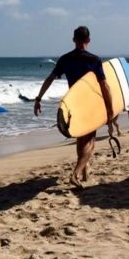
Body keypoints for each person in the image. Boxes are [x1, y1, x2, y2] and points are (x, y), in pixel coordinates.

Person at [34, 26, 113, 188]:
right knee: (90, 142)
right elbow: (104, 85)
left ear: (73, 40)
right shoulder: (94, 60)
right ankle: (76, 174)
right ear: (88, 40)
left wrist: (39, 98)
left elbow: (50, 78)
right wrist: (110, 108)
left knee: (80, 138)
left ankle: (84, 173)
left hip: (73, 103)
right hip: (89, 104)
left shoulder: (65, 59)